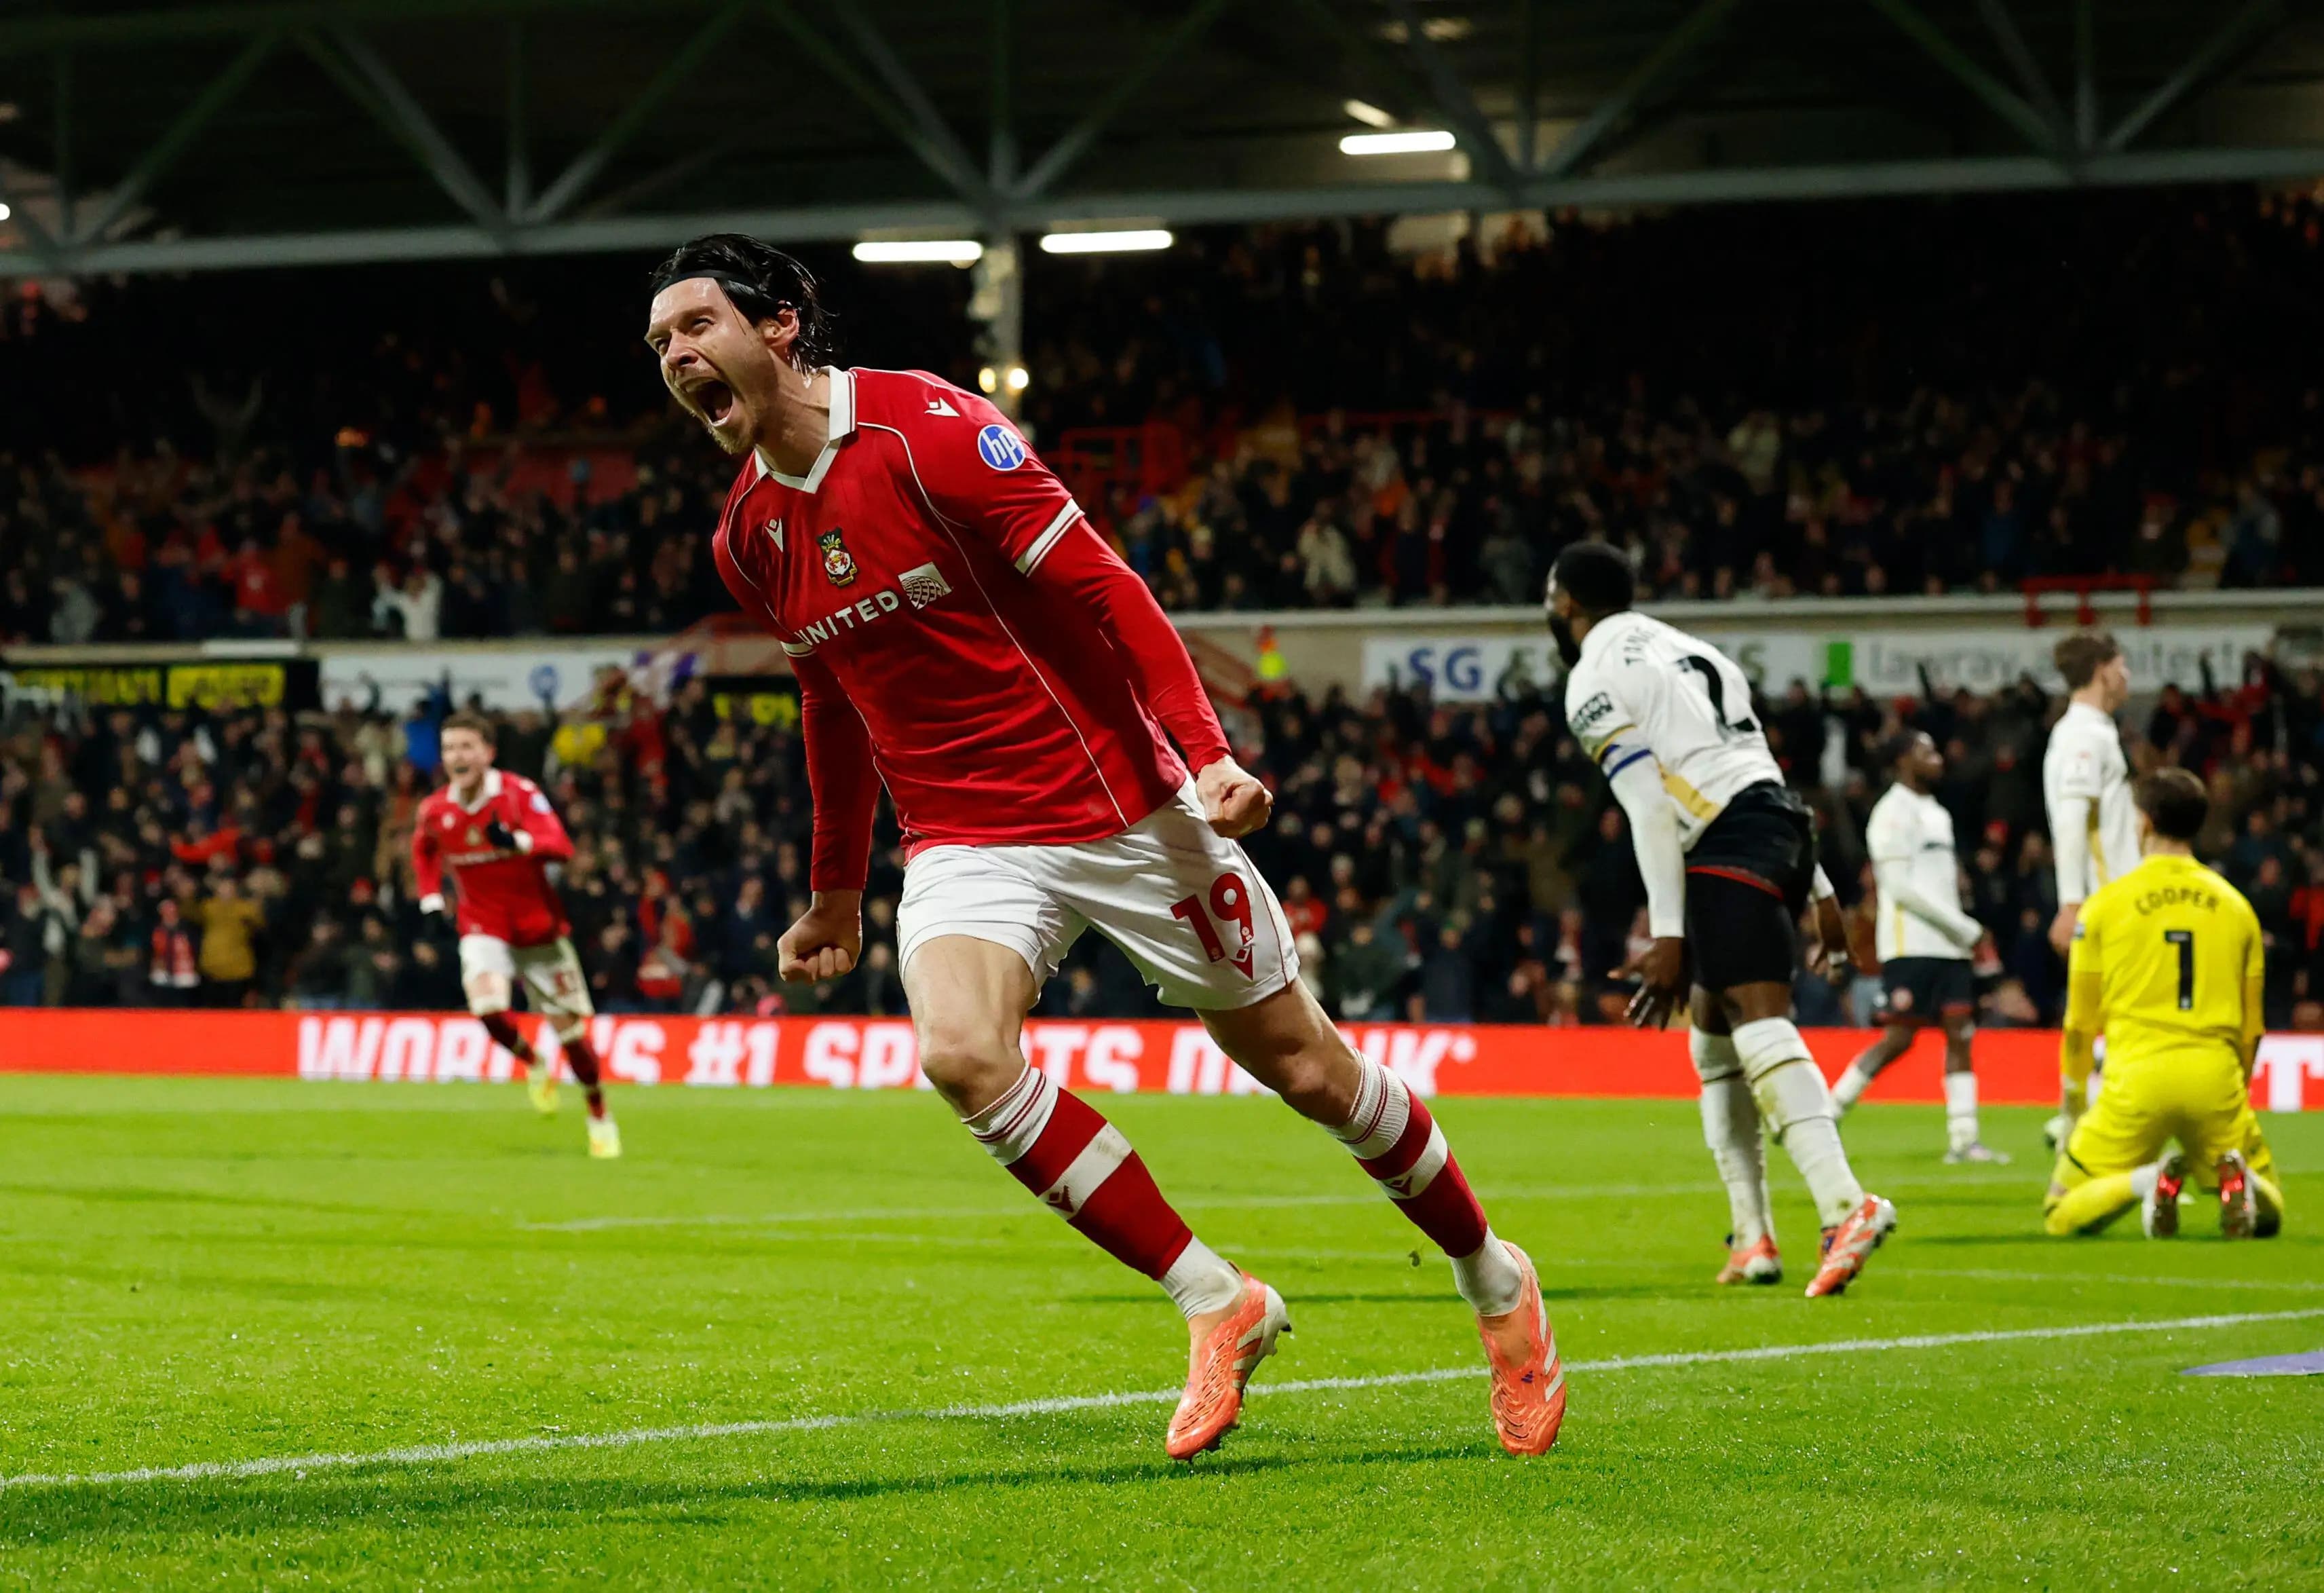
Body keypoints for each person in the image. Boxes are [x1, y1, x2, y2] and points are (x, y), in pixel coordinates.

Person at [651, 233, 1561, 1460]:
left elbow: (1105, 585)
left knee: (1306, 1069)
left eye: (696, 325)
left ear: (778, 327)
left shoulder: (928, 431)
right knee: (962, 1055)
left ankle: (1494, 1275)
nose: (676, 355)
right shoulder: (748, 534)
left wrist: (1205, 753)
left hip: (1120, 803)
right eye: (660, 342)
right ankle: (1217, 1298)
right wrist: (834, 891)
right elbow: (830, 700)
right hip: (964, 835)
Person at [1547, 540, 1894, 1297]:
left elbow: (1649, 805)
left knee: (1751, 1011)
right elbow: (1755, 772)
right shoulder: (1694, 649)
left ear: (1565, 602)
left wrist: (1667, 935)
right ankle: (1752, 1235)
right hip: (1775, 825)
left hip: (1719, 840)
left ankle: (1844, 1204)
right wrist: (1818, 884)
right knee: (1711, 1036)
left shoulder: (1592, 676)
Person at [2043, 768, 2284, 1239]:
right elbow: (2252, 1028)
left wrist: (2073, 1107)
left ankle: (2146, 1180)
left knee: (2059, 1209)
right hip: (2213, 1078)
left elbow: (2079, 1024)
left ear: (2145, 822)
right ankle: (2243, 1185)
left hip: (2136, 1081)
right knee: (2270, 1204)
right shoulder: (2236, 908)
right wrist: (2233, 1093)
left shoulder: (2105, 905)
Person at [411, 711, 618, 1159]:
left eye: (467, 747)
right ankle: (533, 1061)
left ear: (488, 753)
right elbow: (423, 849)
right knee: (487, 1008)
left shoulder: (518, 794)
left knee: (571, 1035)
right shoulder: (436, 810)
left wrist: (519, 842)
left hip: (538, 928)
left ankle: (598, 1113)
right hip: (482, 923)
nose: (457, 756)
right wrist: (430, 897)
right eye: (450, 748)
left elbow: (561, 846)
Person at [1831, 732, 2007, 1163]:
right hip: (1912, 944)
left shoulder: (1937, 812)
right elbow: (1899, 888)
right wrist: (1963, 927)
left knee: (1961, 1034)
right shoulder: (1891, 812)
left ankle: (1964, 1141)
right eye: (1926, 752)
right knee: (1899, 1038)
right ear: (1903, 761)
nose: (1938, 758)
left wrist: (1960, 929)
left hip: (1950, 946)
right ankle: (1827, 1112)